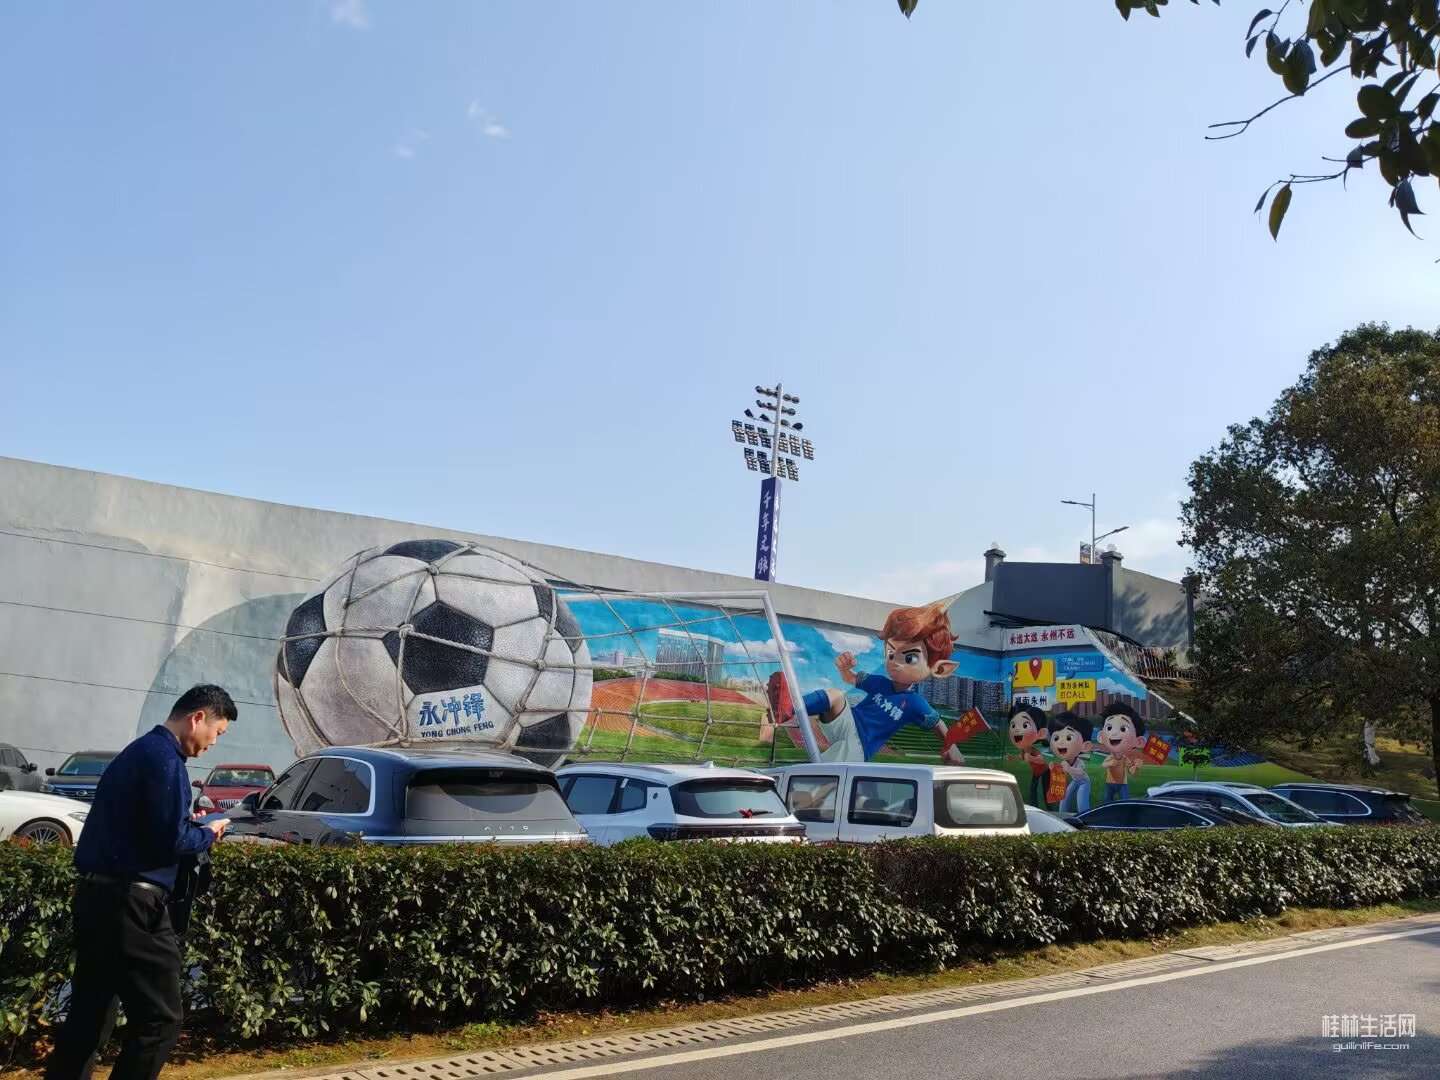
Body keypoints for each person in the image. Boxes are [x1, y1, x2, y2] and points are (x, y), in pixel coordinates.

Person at [46, 685, 236, 1080]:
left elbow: (147, 830)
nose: (214, 743)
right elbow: (172, 840)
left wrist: (189, 827)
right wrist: (207, 833)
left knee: (90, 1014)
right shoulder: (165, 760)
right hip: (134, 906)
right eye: (217, 732)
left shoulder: (138, 753)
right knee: (161, 1019)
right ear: (197, 718)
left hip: (98, 896)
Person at [794, 602, 966, 764]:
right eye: (891, 653)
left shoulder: (914, 702)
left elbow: (938, 723)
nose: (895, 662)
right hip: (848, 723)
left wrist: (952, 747)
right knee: (835, 695)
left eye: (910, 658)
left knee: (819, 775)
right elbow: (850, 678)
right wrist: (844, 669)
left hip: (860, 746)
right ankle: (790, 708)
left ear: (938, 668)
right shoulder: (880, 683)